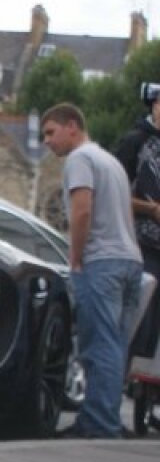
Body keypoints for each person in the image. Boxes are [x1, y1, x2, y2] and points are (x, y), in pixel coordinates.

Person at [41, 103, 143, 438]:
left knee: (98, 345)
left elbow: (82, 208)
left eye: (50, 132)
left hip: (101, 262)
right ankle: (107, 418)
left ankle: (98, 423)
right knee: (115, 346)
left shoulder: (80, 159)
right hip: (130, 261)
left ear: (72, 126)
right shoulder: (110, 162)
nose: (46, 142)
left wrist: (76, 253)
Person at [114, 83, 160, 367]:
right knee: (142, 312)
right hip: (142, 242)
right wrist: (151, 209)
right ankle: (131, 372)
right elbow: (114, 192)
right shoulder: (135, 142)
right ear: (153, 106)